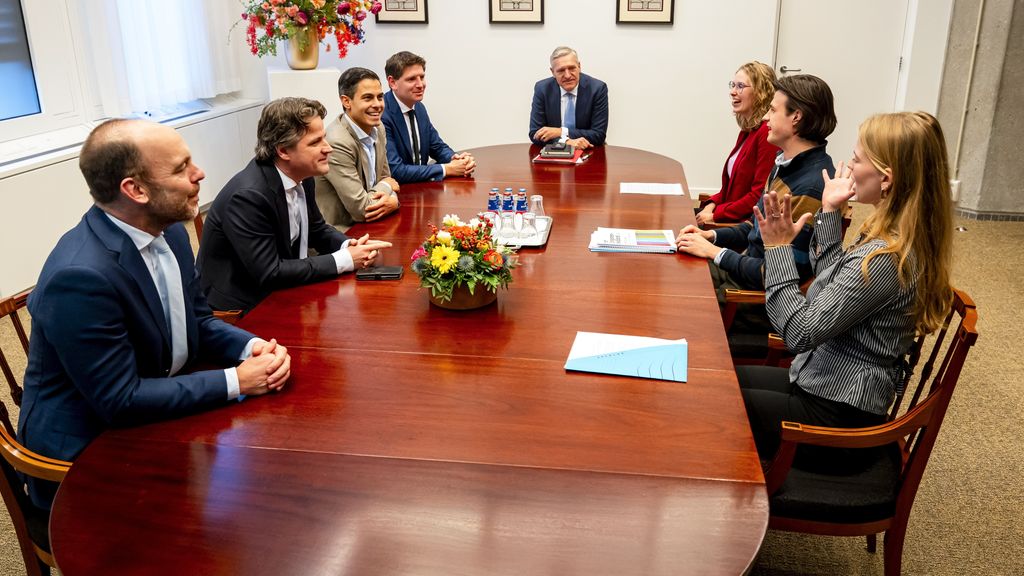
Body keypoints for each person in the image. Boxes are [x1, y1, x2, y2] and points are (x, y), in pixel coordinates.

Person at [18, 119, 292, 510]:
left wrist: (251, 348)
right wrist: (236, 381)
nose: (199, 174)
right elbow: (120, 399)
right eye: (181, 168)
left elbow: (198, 320)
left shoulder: (170, 232)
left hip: (155, 406)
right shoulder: (80, 276)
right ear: (136, 190)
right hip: (86, 453)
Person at [738, 111, 954, 464]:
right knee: (722, 382)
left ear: (886, 179)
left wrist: (777, 249)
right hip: (824, 386)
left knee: (717, 405)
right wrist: (829, 212)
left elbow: (799, 332)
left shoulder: (886, 258)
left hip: (838, 421)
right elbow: (832, 290)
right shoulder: (894, 237)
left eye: (856, 159)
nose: (848, 167)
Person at [198, 97, 392, 312]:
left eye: (324, 138)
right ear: (283, 151)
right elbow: (269, 272)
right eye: (315, 142)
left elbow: (317, 229)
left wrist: (349, 245)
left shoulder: (302, 174)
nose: (328, 148)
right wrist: (344, 260)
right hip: (242, 308)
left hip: (279, 288)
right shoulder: (248, 197)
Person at [676, 74, 837, 299]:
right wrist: (710, 235)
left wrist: (715, 253)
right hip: (740, 272)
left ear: (796, 117)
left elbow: (777, 275)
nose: (765, 116)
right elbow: (753, 227)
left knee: (674, 283)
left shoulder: (809, 188)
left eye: (772, 110)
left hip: (746, 297)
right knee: (673, 262)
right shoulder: (785, 162)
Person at [315, 67, 402, 231]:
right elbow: (362, 210)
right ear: (346, 101)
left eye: (380, 97)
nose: (377, 105)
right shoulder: (336, 142)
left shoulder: (378, 128)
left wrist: (393, 200)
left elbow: (386, 179)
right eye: (368, 98)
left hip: (372, 224)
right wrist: (388, 190)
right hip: (343, 233)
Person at [696, 62, 780, 225]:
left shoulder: (765, 133)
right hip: (726, 213)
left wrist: (716, 215)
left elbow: (758, 196)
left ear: (761, 92)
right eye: (733, 85)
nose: (732, 92)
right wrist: (711, 205)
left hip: (739, 225)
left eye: (740, 86)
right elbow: (731, 191)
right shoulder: (748, 131)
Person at [380, 51, 476, 184]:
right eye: (411, 79)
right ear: (392, 82)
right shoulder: (382, 114)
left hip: (422, 189)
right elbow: (396, 171)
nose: (420, 85)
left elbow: (437, 146)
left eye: (422, 77)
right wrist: (446, 169)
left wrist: (456, 159)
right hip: (397, 194)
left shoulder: (419, 107)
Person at [529, 46, 609, 149]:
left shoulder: (597, 89)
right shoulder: (542, 89)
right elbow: (535, 133)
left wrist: (561, 132)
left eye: (572, 68)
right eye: (561, 70)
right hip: (554, 152)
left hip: (589, 150)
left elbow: (599, 135)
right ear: (552, 72)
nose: (567, 75)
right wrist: (566, 141)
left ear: (579, 66)